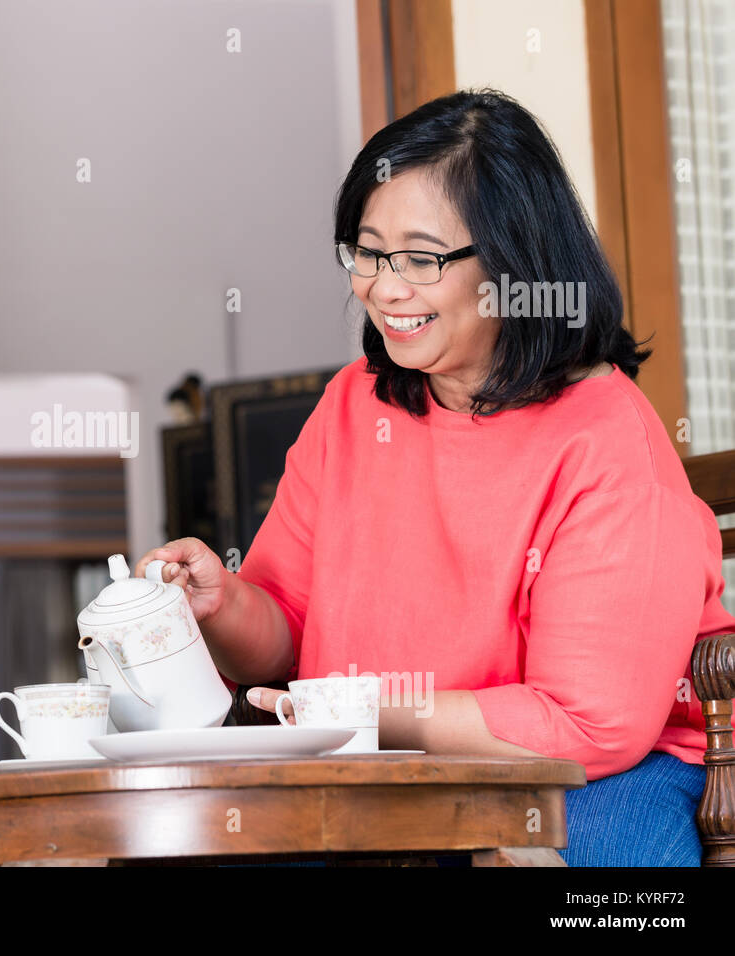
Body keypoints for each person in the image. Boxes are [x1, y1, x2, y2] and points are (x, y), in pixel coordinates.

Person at [138, 88, 732, 867]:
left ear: (516, 263)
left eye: (420, 258)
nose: (385, 287)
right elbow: (284, 643)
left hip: (590, 774)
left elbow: (590, 728)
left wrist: (366, 714)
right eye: (367, 251)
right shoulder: (354, 404)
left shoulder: (606, 439)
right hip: (381, 767)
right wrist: (222, 604)